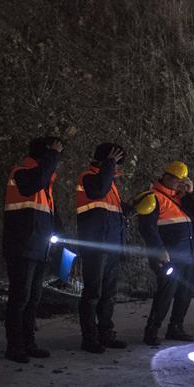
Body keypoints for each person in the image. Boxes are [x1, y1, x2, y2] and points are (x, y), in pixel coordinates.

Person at [137, 161, 194, 346]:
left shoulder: (181, 198)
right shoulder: (153, 197)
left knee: (185, 294)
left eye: (183, 182)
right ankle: (152, 330)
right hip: (169, 257)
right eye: (178, 181)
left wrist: (190, 193)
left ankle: (176, 327)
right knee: (165, 294)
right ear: (167, 177)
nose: (180, 185)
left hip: (189, 256)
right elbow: (147, 229)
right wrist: (160, 251)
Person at [2, 136, 64, 363]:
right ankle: (14, 347)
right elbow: (33, 184)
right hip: (22, 247)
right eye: (54, 154)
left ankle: (28, 343)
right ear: (44, 154)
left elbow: (51, 216)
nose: (57, 160)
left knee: (33, 299)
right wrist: (53, 156)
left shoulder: (45, 183)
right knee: (20, 298)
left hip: (38, 248)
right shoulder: (21, 173)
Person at [76, 143, 128, 354]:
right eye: (115, 162)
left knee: (108, 294)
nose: (117, 167)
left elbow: (115, 215)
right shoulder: (88, 177)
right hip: (96, 247)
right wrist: (110, 163)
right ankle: (89, 338)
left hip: (111, 246)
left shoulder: (109, 183)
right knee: (92, 294)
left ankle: (105, 333)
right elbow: (98, 190)